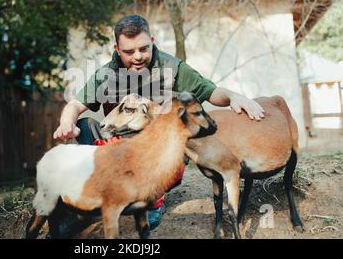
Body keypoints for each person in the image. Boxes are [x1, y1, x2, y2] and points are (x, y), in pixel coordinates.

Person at [52, 15, 265, 236]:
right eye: (129, 51)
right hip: (121, 147)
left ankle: (151, 200)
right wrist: (67, 122)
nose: (138, 56)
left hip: (156, 153)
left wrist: (234, 97)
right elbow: (76, 104)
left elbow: (210, 92)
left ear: (152, 40)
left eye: (144, 48)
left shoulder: (173, 69)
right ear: (116, 48)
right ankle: (89, 203)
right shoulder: (107, 74)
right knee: (85, 125)